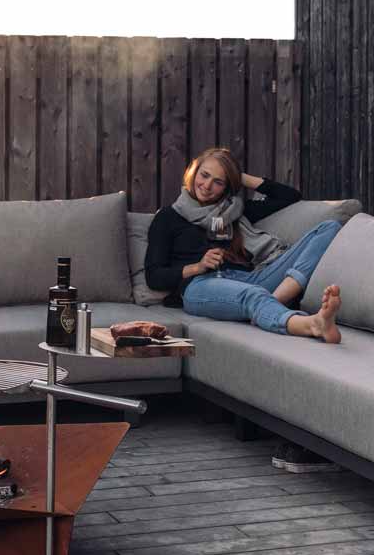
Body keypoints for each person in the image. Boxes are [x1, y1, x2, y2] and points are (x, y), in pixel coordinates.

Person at [144, 147, 344, 472]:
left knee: (329, 228)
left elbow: (289, 196)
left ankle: (273, 302)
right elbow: (154, 276)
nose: (207, 186)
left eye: (219, 182)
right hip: (201, 286)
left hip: (251, 278)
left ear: (228, 187)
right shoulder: (168, 217)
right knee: (252, 295)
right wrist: (196, 266)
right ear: (192, 173)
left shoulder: (235, 211)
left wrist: (240, 178)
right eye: (204, 175)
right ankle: (310, 324)